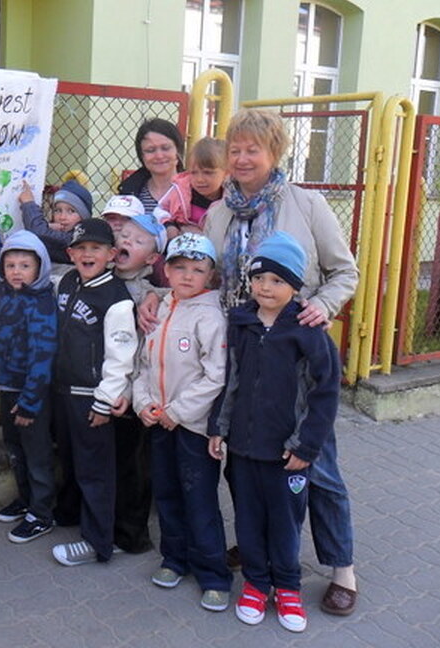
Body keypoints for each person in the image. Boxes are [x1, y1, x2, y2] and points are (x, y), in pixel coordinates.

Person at [139, 109, 360, 615]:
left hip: (293, 353)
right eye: (234, 149)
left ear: (273, 152)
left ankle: (341, 567)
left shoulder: (305, 204)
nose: (241, 158)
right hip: (237, 353)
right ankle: (258, 548)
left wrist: (321, 306)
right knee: (244, 462)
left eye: (252, 149)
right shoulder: (219, 212)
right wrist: (158, 294)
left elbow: (343, 271)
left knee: (315, 461)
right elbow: (202, 276)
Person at [208, 231, 341, 632]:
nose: (265, 287)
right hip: (243, 450)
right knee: (248, 519)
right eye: (259, 277)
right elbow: (230, 379)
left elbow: (324, 393)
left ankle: (286, 587)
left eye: (277, 280)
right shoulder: (241, 322)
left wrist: (306, 446)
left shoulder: (308, 331)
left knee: (284, 523)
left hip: (287, 454)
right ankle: (255, 584)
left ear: (295, 286)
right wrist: (219, 427)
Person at [124, 233, 231, 611]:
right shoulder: (161, 308)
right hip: (158, 422)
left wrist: (178, 411)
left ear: (211, 275)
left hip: (191, 428)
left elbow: (215, 376)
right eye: (179, 267)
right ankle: (175, 559)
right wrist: (144, 403)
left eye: (197, 270)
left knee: (199, 500)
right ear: (165, 271)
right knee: (167, 493)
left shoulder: (211, 316)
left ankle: (213, 574)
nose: (187, 276)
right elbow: (143, 365)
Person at [49, 218, 137, 566]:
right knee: (70, 460)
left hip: (91, 396)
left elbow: (121, 356)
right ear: (70, 253)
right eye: (81, 248)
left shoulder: (116, 299)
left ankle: (98, 541)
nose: (88, 254)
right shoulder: (67, 281)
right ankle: (70, 514)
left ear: (111, 254)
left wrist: (104, 401)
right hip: (63, 390)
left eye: (96, 248)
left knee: (94, 470)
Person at [0, 188, 58, 543]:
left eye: (25, 266)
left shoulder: (41, 305)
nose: (16, 271)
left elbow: (43, 358)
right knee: (15, 449)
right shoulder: (7, 290)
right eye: (11, 266)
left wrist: (29, 403)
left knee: (37, 454)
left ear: (39, 267)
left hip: (30, 396)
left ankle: (42, 513)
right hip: (7, 387)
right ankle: (25, 500)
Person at [111, 213, 167, 555]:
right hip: (100, 387)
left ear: (152, 258)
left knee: (133, 465)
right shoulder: (98, 276)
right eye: (124, 235)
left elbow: (146, 355)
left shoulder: (149, 295)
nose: (127, 241)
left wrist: (156, 295)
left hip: (132, 392)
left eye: (138, 240)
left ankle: (132, 535)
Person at [158, 137, 227, 240]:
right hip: (179, 241)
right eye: (193, 172)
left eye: (208, 172)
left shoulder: (231, 199)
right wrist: (168, 226)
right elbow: (159, 210)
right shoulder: (180, 192)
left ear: (226, 173)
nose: (199, 179)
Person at [18, 178, 92, 272]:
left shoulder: (80, 238)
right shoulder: (61, 231)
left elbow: (39, 233)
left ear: (84, 216)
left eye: (71, 211)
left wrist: (29, 204)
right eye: (58, 210)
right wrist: (47, 227)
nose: (62, 217)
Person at [118, 118, 184, 214]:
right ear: (142, 156)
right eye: (150, 150)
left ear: (178, 151)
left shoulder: (195, 190)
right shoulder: (129, 191)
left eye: (165, 148)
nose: (159, 156)